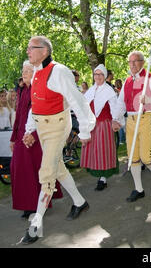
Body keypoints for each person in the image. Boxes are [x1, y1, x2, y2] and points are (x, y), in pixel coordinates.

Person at [21, 36, 96, 245]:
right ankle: (80, 202)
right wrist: (30, 129)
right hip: (43, 127)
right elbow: (34, 104)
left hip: (58, 126)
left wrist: (85, 131)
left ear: (44, 51)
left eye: (31, 48)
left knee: (47, 172)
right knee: (58, 167)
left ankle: (36, 225)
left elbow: (77, 100)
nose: (27, 51)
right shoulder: (35, 71)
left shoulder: (59, 71)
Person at [10, 61, 63, 219]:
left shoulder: (38, 90)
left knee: (34, 170)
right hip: (21, 137)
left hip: (36, 136)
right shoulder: (22, 91)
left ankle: (35, 205)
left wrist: (33, 134)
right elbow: (19, 116)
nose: (24, 73)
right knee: (19, 169)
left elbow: (45, 114)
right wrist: (13, 138)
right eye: (23, 70)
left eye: (28, 70)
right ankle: (29, 203)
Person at [115, 50, 151, 202]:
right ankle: (139, 189)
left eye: (136, 61)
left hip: (146, 118)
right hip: (130, 120)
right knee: (133, 157)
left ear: (142, 62)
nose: (133, 64)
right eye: (130, 62)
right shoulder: (127, 81)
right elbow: (120, 102)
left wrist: (150, 99)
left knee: (145, 156)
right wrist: (116, 119)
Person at [80, 64, 122, 191]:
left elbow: (115, 108)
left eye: (100, 74)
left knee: (102, 151)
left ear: (104, 76)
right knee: (93, 152)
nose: (97, 76)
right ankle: (98, 174)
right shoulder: (91, 90)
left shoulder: (109, 91)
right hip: (92, 125)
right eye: (95, 74)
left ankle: (103, 178)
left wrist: (115, 120)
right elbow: (84, 106)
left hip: (104, 125)